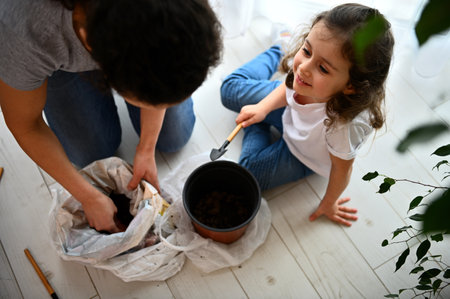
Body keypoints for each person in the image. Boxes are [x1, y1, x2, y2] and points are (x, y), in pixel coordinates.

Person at [0, 0, 222, 232]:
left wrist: (147, 147)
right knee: (92, 152)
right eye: (148, 98)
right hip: (55, 57)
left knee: (174, 136)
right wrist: (87, 196)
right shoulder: (24, 30)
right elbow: (26, 125)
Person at [220, 3, 394, 226]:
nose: (303, 67)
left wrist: (330, 202)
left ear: (351, 86)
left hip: (302, 154)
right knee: (229, 91)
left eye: (323, 68)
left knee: (248, 174)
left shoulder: (342, 126)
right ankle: (279, 47)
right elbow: (290, 85)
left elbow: (343, 169)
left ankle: (256, 124)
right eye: (306, 50)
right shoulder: (306, 70)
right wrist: (263, 107)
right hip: (287, 113)